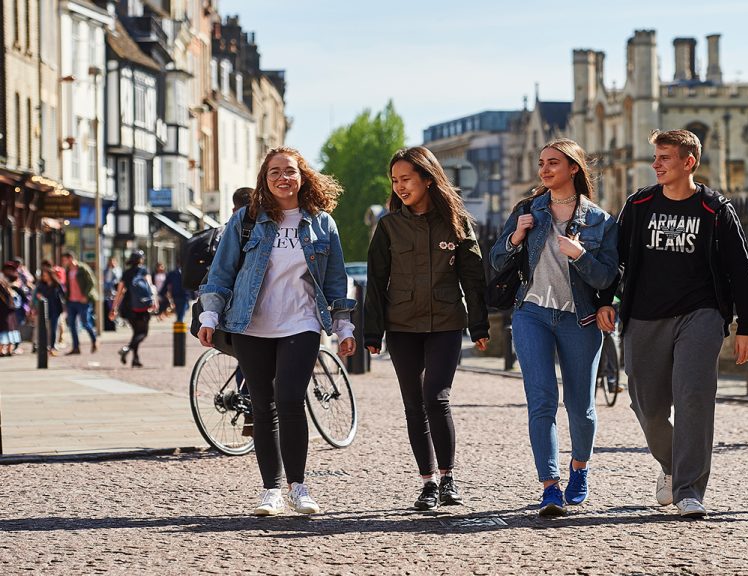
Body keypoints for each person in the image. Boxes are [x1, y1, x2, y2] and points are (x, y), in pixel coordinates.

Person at [597, 129, 748, 519]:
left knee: (693, 400)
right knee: (647, 407)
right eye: (655, 157)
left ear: (689, 162)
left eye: (664, 157)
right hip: (644, 317)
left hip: (699, 315)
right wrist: (606, 300)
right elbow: (614, 259)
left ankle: (689, 489)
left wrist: (747, 326)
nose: (656, 164)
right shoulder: (639, 205)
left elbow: (741, 269)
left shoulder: (715, 209)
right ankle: (671, 465)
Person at [197, 147, 356, 517]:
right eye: (274, 173)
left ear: (302, 177)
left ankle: (298, 487)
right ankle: (271, 490)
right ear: (264, 180)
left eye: (290, 171)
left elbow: (335, 282)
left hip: (301, 323)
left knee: (289, 399)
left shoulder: (322, 224)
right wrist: (209, 316)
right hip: (250, 324)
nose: (283, 178)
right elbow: (221, 272)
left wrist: (343, 325)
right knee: (263, 406)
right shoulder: (247, 219)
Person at [489, 138, 619, 517]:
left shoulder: (601, 221)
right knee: (541, 400)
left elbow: (608, 277)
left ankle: (579, 469)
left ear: (574, 168)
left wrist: (579, 255)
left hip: (580, 318)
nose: (544, 170)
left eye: (553, 163)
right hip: (531, 313)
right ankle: (549, 486)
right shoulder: (528, 210)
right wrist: (516, 236)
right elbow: (497, 259)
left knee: (581, 405)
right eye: (542, 163)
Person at [364, 146, 490, 511]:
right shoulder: (388, 226)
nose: (400, 186)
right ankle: (428, 482)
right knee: (413, 404)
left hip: (446, 323)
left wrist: (479, 325)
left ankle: (448, 477)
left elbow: (473, 278)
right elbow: (376, 282)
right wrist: (372, 332)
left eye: (406, 179)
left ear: (427, 178)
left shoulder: (456, 222)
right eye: (395, 181)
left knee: (436, 396)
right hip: (401, 326)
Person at [108, 251, 155, 367]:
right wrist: (154, 302)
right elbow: (151, 287)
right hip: (143, 306)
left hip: (129, 307)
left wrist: (114, 308)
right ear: (141, 260)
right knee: (143, 333)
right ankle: (127, 349)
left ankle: (135, 359)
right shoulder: (144, 271)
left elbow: (119, 292)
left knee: (136, 332)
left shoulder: (126, 273)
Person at [60, 251, 99, 354]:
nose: (63, 262)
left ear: (70, 258)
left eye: (65, 260)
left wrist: (85, 295)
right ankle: (76, 347)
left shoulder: (82, 268)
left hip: (83, 301)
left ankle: (94, 340)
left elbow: (91, 282)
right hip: (71, 301)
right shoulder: (68, 270)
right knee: (72, 325)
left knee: (85, 322)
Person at [32, 268, 66, 356]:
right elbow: (36, 295)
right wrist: (38, 297)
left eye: (46, 275)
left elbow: (63, 295)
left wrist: (65, 306)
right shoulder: (40, 285)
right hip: (44, 310)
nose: (44, 277)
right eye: (43, 276)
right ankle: (44, 346)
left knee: (53, 328)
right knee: (44, 329)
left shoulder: (57, 284)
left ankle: (52, 346)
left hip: (55, 309)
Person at [0, 276, 20, 357]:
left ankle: (2, 351)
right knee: (9, 333)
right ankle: (9, 350)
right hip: (10, 314)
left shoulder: (6, 291)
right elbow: (17, 303)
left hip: (3, 315)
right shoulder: (11, 291)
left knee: (3, 333)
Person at [103, 258, 122, 331]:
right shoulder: (105, 270)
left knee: (113, 308)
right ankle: (107, 325)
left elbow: (117, 279)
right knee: (107, 309)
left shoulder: (117, 270)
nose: (111, 263)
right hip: (106, 293)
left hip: (114, 293)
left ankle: (114, 324)